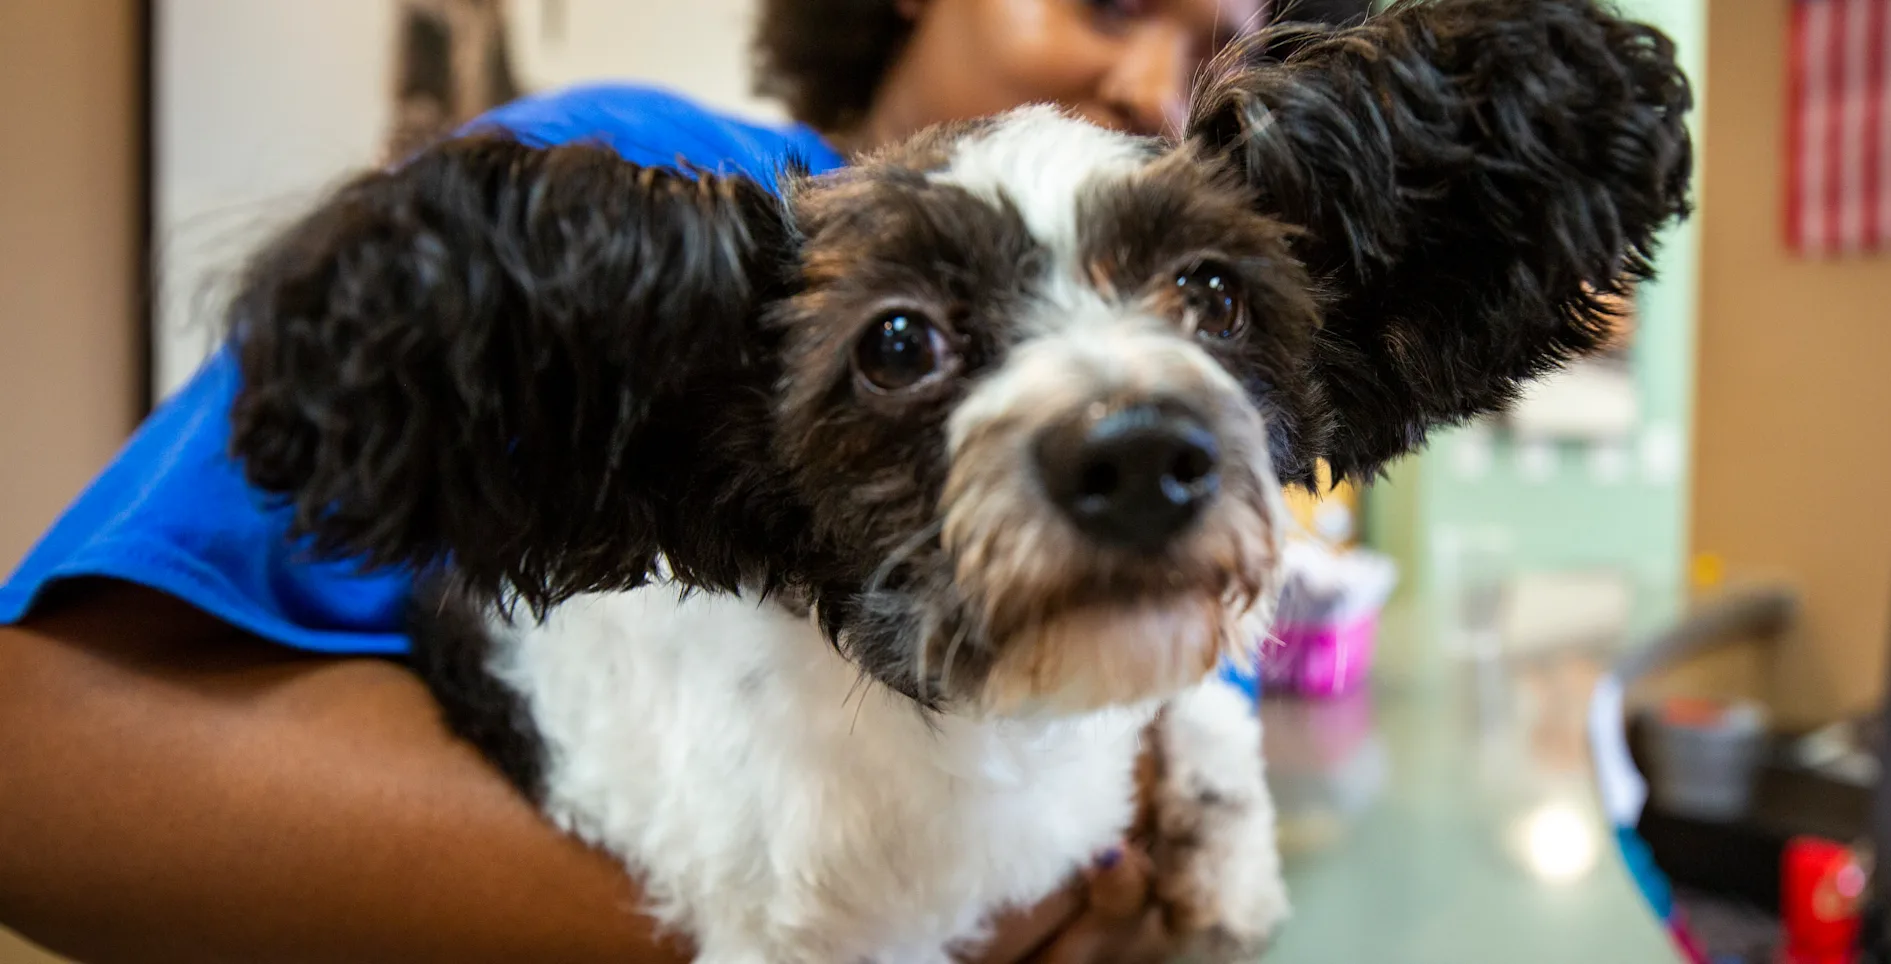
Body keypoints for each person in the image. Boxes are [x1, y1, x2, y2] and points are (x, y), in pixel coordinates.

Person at [0, 1, 1369, 961]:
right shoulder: (654, 177)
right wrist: (882, 913)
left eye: (1222, 46)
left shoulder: (1198, 400)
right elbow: (36, 763)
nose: (1154, 80)